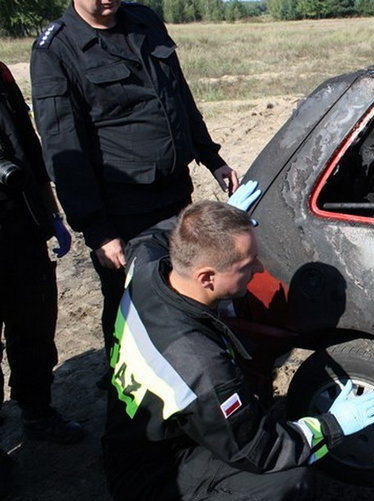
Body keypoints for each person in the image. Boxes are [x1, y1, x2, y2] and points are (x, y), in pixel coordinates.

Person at [102, 200, 374, 501]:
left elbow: (151, 238)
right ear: (206, 277)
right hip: (154, 475)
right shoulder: (201, 367)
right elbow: (261, 450)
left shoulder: (147, 267)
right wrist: (331, 426)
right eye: (246, 264)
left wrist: (215, 221)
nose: (258, 267)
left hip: (135, 435)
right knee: (289, 486)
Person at [29, 0, 239, 364]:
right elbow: (64, 147)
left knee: (185, 289)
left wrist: (211, 156)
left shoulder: (143, 20)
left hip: (174, 191)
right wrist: (98, 231)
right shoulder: (56, 49)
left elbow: (178, 96)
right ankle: (127, 390)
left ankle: (191, 374)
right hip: (122, 209)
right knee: (130, 306)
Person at [0, 59, 84, 497]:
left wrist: (51, 210)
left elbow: (29, 149)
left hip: (21, 223)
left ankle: (37, 411)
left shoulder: (1, 74)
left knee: (34, 324)